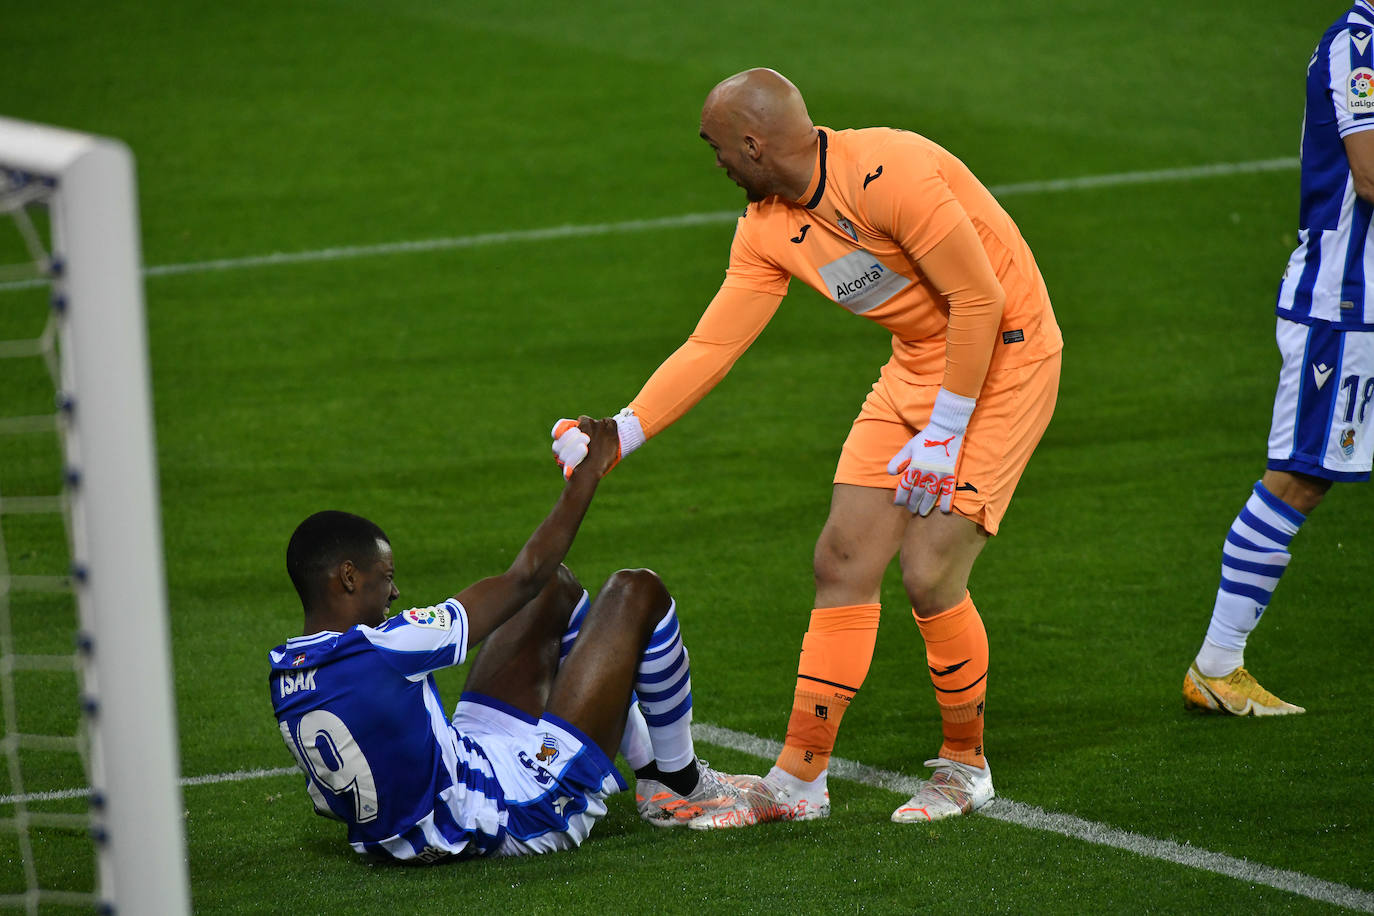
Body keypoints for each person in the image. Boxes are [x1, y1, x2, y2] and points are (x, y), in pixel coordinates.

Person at [552, 68, 1062, 827]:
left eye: (717, 146)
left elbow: (980, 300)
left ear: (754, 144)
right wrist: (619, 434)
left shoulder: (893, 171)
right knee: (843, 560)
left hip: (1006, 357)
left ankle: (964, 764)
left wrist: (946, 432)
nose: (715, 161)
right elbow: (712, 344)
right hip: (923, 361)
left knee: (928, 570)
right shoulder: (767, 225)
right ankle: (798, 780)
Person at [269, 418, 754, 862]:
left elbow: (332, 804)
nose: (394, 591)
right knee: (636, 590)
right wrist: (589, 473)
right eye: (385, 577)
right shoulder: (384, 650)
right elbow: (522, 575)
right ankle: (684, 784)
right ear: (349, 577)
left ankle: (649, 772)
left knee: (553, 588)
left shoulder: (284, 674)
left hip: (447, 788)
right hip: (512, 813)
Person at [1183, 2, 1374, 716]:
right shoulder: (1359, 47)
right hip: (1343, 305)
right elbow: (1370, 174)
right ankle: (1217, 664)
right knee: (1299, 479)